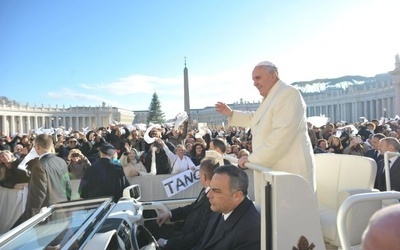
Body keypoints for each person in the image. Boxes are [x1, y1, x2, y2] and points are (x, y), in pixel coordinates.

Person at [215, 61, 315, 203]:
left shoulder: (288, 94)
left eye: (258, 78)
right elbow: (256, 118)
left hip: (289, 168)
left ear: (273, 75)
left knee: (293, 215)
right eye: (253, 79)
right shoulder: (272, 97)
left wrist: (252, 159)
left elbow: (282, 134)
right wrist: (231, 114)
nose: (254, 83)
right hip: (275, 167)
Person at [148, 157, 219, 250]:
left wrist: (167, 243)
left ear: (203, 177)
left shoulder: (212, 201)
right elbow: (192, 207)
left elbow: (198, 236)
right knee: (151, 226)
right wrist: (170, 214)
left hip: (185, 239)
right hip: (182, 231)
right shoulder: (205, 191)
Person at [192, 165, 260, 250]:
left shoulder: (250, 231)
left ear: (237, 196)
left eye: (216, 191)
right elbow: (202, 244)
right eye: (210, 188)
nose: (209, 195)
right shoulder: (220, 208)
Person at [15, 134, 71, 224]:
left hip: (46, 215)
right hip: (62, 211)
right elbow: (68, 187)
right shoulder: (61, 162)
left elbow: (38, 194)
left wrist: (28, 218)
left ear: (37, 147)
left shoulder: (39, 166)